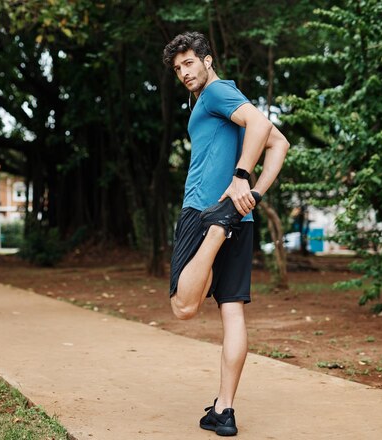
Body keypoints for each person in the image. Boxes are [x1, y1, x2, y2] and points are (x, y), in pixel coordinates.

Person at [163, 32, 289, 436]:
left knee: (183, 307)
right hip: (240, 217)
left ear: (207, 60)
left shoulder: (217, 93)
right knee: (231, 311)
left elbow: (262, 122)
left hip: (203, 212)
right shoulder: (224, 103)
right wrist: (251, 196)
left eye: (188, 63)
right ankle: (225, 410)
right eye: (177, 68)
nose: (183, 72)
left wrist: (240, 178)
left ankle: (217, 231)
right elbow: (279, 142)